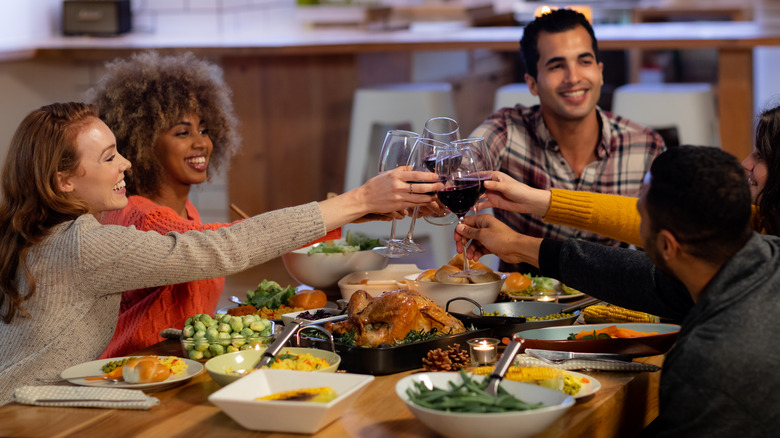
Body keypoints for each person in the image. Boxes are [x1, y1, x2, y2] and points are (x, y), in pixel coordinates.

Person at [0, 102, 442, 404]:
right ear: (64, 182)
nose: (126, 165)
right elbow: (222, 248)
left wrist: (353, 210)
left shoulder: (45, 230)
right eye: (109, 157)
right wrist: (358, 199)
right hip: (29, 411)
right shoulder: (82, 243)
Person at [456, 146, 780, 436]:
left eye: (640, 215)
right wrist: (519, 246)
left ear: (667, 245)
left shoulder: (710, 363)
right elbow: (643, 277)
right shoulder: (763, 255)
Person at [469, 8, 665, 273]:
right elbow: (462, 163)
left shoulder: (645, 147)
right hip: (520, 303)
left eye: (584, 62)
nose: (573, 78)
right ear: (533, 84)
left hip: (607, 302)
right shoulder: (508, 131)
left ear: (600, 71)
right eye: (556, 66)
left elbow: (661, 251)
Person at [86, 51, 245, 357]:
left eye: (204, 129)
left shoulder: (186, 211)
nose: (201, 143)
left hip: (181, 365)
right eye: (183, 133)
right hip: (137, 375)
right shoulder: (144, 221)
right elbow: (228, 244)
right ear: (142, 142)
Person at [477, 102, 780, 248]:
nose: (745, 162)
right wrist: (534, 199)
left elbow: (656, 240)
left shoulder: (763, 249)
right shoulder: (756, 222)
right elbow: (652, 221)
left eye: (761, 156)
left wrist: (520, 245)